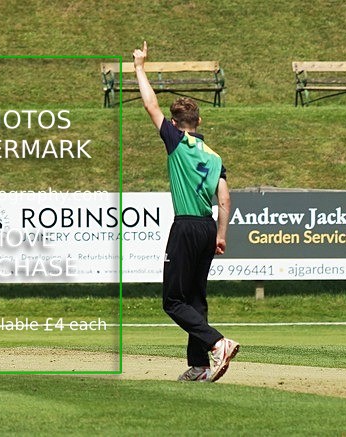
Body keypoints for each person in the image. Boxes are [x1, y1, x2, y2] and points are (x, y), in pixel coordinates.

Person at [133, 41, 239, 382]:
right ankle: (199, 367)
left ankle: (217, 342)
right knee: (195, 298)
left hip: (186, 226)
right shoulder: (214, 155)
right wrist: (220, 235)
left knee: (173, 301)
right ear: (199, 119)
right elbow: (224, 199)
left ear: (177, 124)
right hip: (208, 228)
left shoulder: (176, 142)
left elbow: (151, 106)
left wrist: (139, 66)